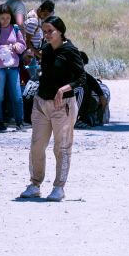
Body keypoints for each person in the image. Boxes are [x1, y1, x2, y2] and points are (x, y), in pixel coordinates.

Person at [20, 15, 88, 202]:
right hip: (41, 103)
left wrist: (64, 89)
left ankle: (59, 187)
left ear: (60, 31)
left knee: (62, 147)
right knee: (37, 145)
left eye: (51, 31)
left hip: (62, 106)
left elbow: (82, 78)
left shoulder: (70, 51)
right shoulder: (46, 49)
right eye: (45, 31)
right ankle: (35, 184)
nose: (47, 35)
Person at [0, 3, 27, 132]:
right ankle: (0, 122)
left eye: (7, 18)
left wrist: (16, 47)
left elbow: (22, 45)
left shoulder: (15, 29)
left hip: (13, 66)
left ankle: (20, 122)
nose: (5, 21)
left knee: (17, 96)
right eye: (2, 18)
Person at [23, 0, 55, 78]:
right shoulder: (33, 21)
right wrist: (39, 55)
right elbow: (27, 42)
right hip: (29, 54)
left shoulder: (34, 12)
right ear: (40, 10)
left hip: (33, 51)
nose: (46, 17)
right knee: (31, 78)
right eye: (45, 14)